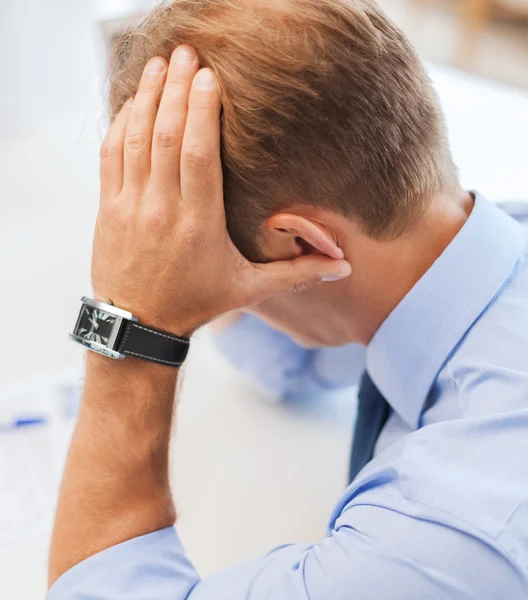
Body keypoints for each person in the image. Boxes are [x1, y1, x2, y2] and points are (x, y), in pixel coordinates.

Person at [46, 0, 528, 598]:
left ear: (302, 244)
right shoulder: (467, 252)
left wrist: (132, 322)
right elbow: (296, 364)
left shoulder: (452, 534)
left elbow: (92, 587)